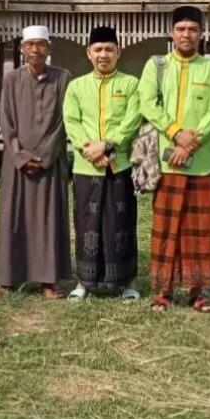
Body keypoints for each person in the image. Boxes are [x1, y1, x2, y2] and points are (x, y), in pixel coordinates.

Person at [138, 5, 210, 313]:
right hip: (166, 162)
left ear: (201, 33)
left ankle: (198, 290)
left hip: (202, 161)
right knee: (166, 227)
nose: (186, 34)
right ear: (171, 32)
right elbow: (148, 104)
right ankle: (162, 290)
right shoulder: (156, 66)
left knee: (198, 228)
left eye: (192, 29)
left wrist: (190, 143)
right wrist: (176, 133)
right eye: (181, 29)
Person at [62, 26, 143, 301]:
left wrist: (108, 145)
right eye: (98, 49)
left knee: (121, 223)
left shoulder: (131, 84)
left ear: (118, 52)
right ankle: (83, 282)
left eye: (109, 49)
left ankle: (127, 281)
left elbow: (132, 120)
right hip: (86, 168)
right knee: (86, 225)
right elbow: (72, 122)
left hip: (119, 166)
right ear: (88, 53)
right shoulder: (76, 86)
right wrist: (91, 149)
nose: (103, 54)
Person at [0, 25, 72, 298]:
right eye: (31, 45)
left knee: (49, 219)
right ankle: (7, 279)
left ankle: (48, 280)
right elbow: (6, 120)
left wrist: (45, 156)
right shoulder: (11, 79)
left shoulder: (63, 77)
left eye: (41, 44)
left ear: (49, 49)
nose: (36, 49)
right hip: (18, 164)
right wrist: (21, 156)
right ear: (22, 49)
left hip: (50, 162)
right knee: (13, 218)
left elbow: (64, 121)